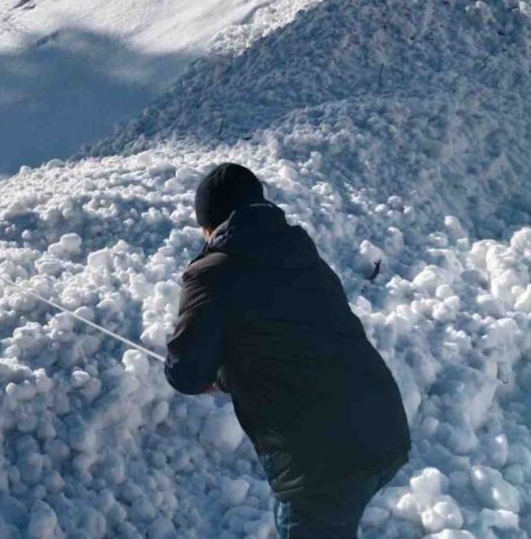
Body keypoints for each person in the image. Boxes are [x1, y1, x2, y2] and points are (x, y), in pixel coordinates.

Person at [165, 163, 410, 538]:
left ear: (210, 223)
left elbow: (186, 373)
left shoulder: (211, 273)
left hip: (322, 463)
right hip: (383, 428)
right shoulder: (297, 249)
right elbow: (290, 339)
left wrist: (221, 376)